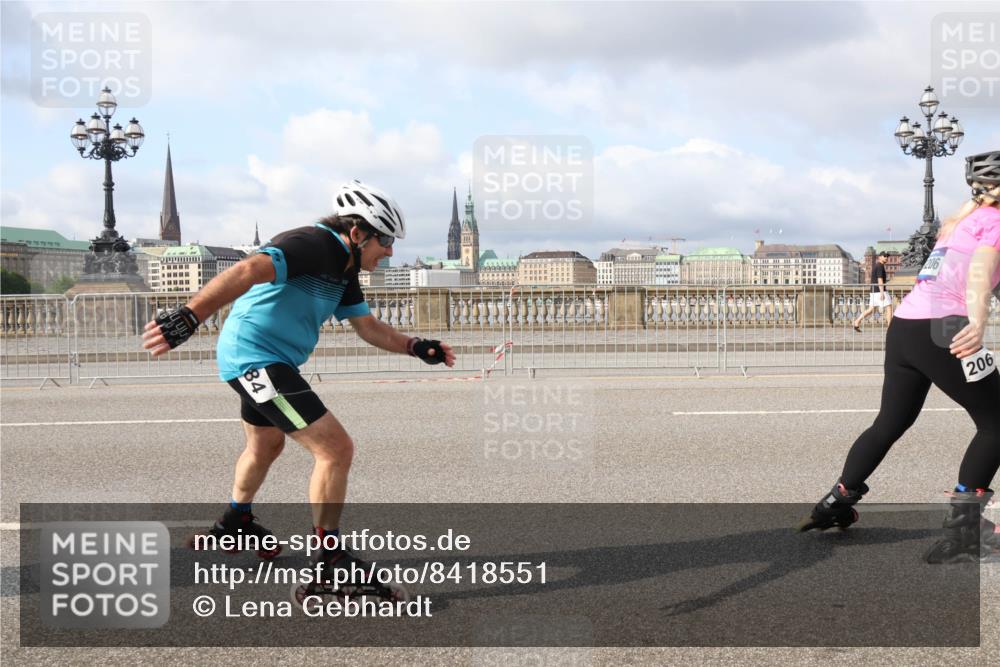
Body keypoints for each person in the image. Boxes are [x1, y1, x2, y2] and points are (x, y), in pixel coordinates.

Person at [142, 180, 456, 597]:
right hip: (256, 358)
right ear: (357, 233)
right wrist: (189, 316)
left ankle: (234, 524)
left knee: (265, 447)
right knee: (335, 448)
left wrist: (415, 346)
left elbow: (368, 328)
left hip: (266, 359)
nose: (391, 251)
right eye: (385, 240)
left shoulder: (346, 270)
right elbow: (247, 269)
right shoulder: (313, 243)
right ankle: (329, 561)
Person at [799, 151, 1000, 564]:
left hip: (906, 327)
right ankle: (965, 533)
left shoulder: (961, 221)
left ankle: (837, 500)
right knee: (998, 422)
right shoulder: (995, 224)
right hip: (944, 328)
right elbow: (980, 274)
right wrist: (977, 324)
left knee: (891, 420)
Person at [853, 252, 893, 332]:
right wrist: (882, 292)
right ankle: (890, 328)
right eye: (884, 256)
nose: (886, 258)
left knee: (871, 309)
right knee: (889, 307)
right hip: (879, 291)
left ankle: (857, 321)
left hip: (874, 291)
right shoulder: (880, 266)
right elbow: (879, 279)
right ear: (879, 257)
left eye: (887, 256)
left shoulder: (877, 266)